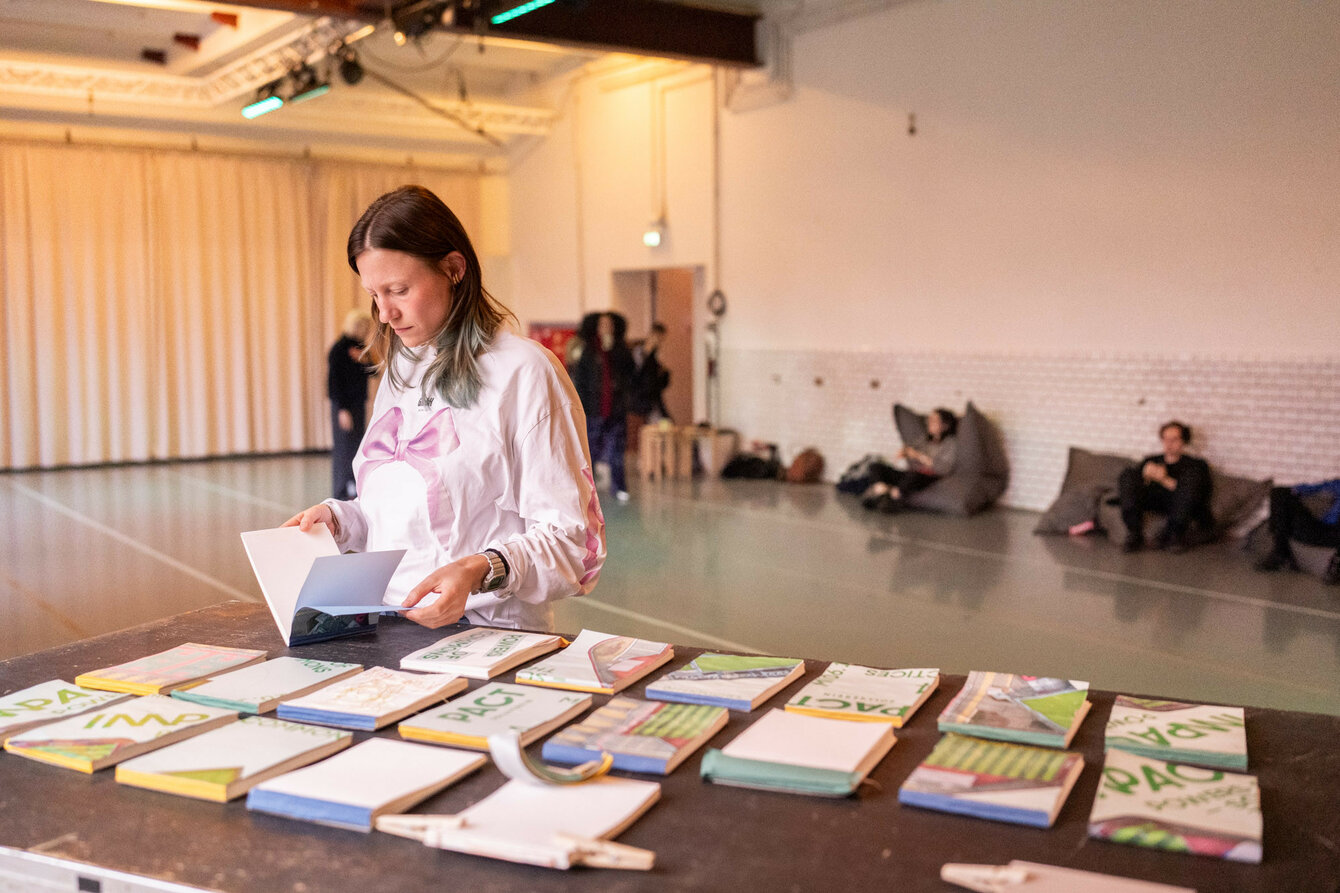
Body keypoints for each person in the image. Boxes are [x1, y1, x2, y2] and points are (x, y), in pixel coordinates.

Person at [285, 185, 606, 631]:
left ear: (454, 269)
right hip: (391, 627)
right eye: (374, 295)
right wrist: (342, 519)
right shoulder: (404, 366)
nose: (384, 314)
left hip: (489, 637)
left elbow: (574, 544)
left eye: (398, 289)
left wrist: (480, 569)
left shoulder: (524, 372)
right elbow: (401, 515)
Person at [1117, 420, 1213, 554]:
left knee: (1188, 487)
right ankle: (1133, 532)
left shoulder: (1195, 465)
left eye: (1174, 440)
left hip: (1179, 504)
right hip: (1155, 501)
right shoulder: (1152, 460)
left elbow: (1194, 493)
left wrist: (1163, 479)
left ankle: (1174, 535)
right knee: (1128, 474)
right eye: (1166, 439)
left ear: (1183, 441)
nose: (1169, 444)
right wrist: (1146, 476)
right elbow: (1135, 487)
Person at [570, 311, 634, 503]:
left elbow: (630, 375)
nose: (606, 328)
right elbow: (580, 381)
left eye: (609, 324)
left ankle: (619, 486)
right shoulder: (588, 351)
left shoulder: (622, 350)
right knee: (591, 451)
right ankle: (587, 490)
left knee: (617, 450)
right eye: (602, 324)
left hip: (616, 410)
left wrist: (615, 352)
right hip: (594, 411)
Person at [860, 407, 958, 513]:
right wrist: (905, 452)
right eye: (929, 420)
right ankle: (882, 494)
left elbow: (943, 468)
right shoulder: (925, 439)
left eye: (934, 420)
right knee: (875, 466)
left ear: (945, 425)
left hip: (928, 476)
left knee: (913, 476)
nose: (929, 423)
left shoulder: (951, 443)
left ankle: (891, 499)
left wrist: (918, 456)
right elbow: (910, 449)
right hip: (911, 473)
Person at [327, 309, 375, 499]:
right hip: (344, 407)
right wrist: (342, 410)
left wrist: (364, 359)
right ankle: (339, 492)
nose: (367, 331)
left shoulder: (361, 347)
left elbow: (374, 372)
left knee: (357, 447)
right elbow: (334, 383)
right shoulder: (339, 349)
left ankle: (354, 487)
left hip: (358, 404)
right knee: (343, 449)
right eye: (364, 327)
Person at [1254, 479, 1340, 584]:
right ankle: (1280, 552)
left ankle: (1336, 567)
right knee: (1279, 492)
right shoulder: (1337, 483)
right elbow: (1315, 488)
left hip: (1336, 536)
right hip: (1320, 529)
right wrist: (1298, 489)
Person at [630, 322, 672, 424]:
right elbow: (637, 375)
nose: (659, 342)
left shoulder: (654, 357)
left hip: (652, 399)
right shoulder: (639, 353)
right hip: (642, 401)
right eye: (658, 338)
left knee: (665, 423)